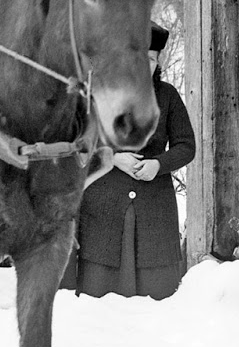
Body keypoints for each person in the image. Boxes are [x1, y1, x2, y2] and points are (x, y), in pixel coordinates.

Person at [68, 23, 196, 299]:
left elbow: (187, 146)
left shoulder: (168, 96)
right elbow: (80, 142)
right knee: (100, 299)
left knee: (157, 301)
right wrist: (113, 158)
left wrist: (158, 165)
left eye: (151, 59)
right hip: (104, 201)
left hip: (154, 204)